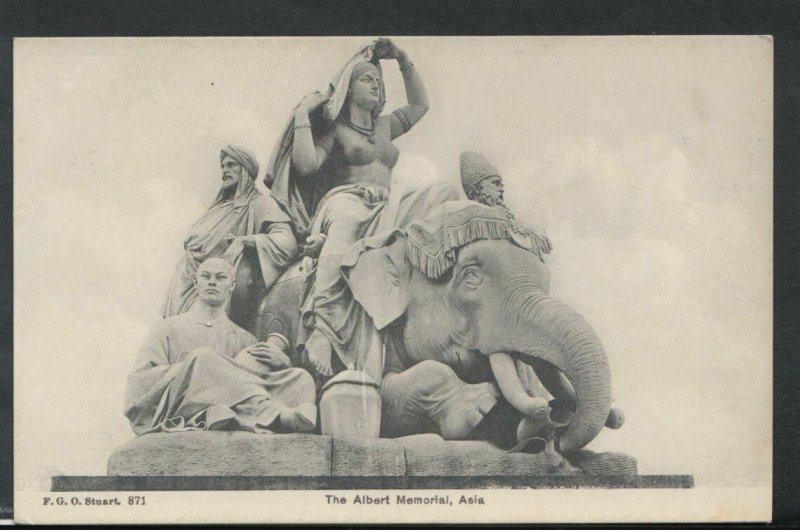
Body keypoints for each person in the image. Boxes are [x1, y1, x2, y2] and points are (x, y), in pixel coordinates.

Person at [265, 38, 454, 382]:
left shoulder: (385, 127)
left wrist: (402, 58)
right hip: (344, 201)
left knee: (444, 195)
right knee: (348, 223)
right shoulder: (336, 130)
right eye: (367, 79)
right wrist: (301, 117)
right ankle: (322, 330)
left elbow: (420, 105)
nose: (376, 85)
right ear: (349, 89)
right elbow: (306, 165)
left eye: (378, 82)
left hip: (386, 205)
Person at [125, 258, 317, 435]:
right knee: (203, 359)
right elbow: (138, 383)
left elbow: (261, 380)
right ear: (196, 283)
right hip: (182, 405)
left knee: (302, 378)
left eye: (220, 277)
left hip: (235, 405)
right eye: (206, 276)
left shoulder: (246, 339)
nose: (212, 282)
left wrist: (283, 363)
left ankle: (246, 412)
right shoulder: (166, 328)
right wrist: (194, 371)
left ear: (232, 285)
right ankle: (271, 413)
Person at [161, 146, 298, 326]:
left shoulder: (260, 203)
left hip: (215, 288)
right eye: (223, 166)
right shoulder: (217, 208)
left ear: (246, 171)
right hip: (184, 284)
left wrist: (245, 241)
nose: (225, 170)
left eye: (232, 165)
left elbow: (287, 242)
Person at [460, 151, 553, 261]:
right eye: (496, 183)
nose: (502, 189)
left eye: (501, 185)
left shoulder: (509, 218)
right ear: (476, 188)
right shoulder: (465, 214)